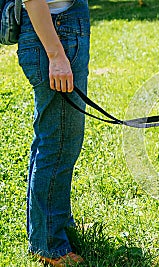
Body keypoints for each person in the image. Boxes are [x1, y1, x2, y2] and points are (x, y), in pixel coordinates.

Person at [18, 0, 90, 265]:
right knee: (57, 143)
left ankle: (52, 225)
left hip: (61, 28)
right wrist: (56, 55)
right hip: (55, 33)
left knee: (58, 140)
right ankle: (48, 244)